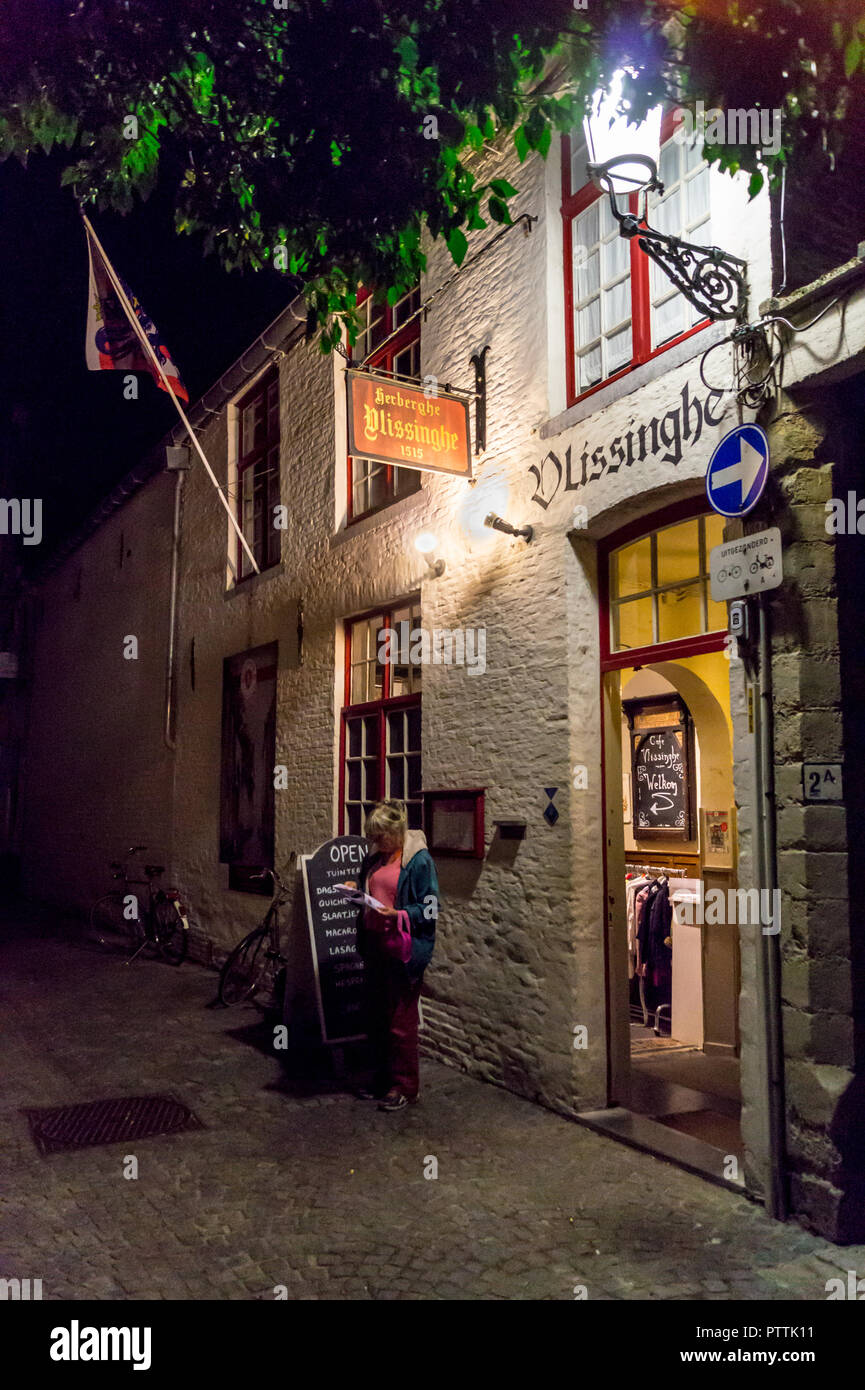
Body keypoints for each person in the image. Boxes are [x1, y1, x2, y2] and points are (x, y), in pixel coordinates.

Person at [343, 799, 438, 1111]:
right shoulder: (375, 859)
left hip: (402, 951)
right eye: (373, 836)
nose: (376, 842)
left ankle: (406, 1087)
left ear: (396, 832)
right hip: (374, 946)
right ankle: (384, 1079)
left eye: (380, 836)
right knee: (378, 1017)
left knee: (401, 1021)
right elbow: (370, 891)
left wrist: (398, 913)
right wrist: (353, 891)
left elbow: (431, 907)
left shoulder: (418, 861)